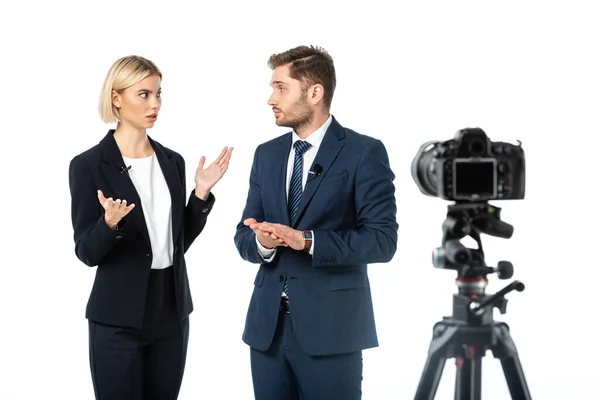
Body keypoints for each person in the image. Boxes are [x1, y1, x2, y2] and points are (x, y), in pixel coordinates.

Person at [234, 45, 398, 399]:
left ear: (314, 92)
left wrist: (307, 240)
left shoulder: (364, 152)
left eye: (281, 88)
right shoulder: (266, 154)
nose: (270, 99)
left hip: (332, 331)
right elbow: (243, 236)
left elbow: (382, 241)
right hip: (268, 333)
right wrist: (263, 242)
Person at [68, 55, 232, 400]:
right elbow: (86, 252)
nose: (155, 103)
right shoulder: (87, 165)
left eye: (159, 94)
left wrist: (200, 194)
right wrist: (108, 223)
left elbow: (177, 243)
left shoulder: (173, 161)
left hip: (171, 311)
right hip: (117, 317)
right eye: (144, 94)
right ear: (116, 98)